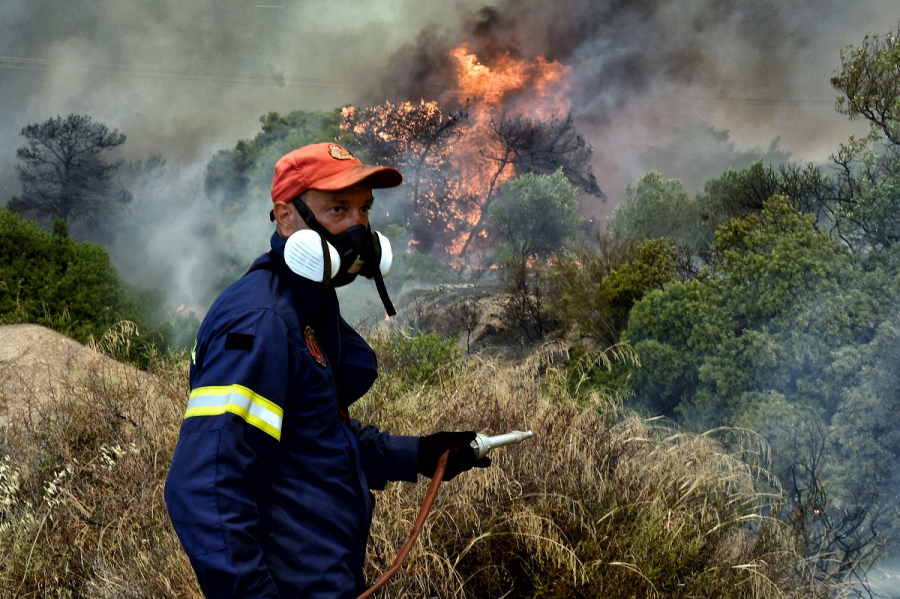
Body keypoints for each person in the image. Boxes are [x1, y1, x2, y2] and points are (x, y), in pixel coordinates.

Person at [164, 142, 489, 599]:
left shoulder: (307, 306)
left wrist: (418, 454)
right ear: (285, 216)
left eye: (364, 209)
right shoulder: (262, 322)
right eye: (338, 208)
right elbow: (203, 487)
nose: (359, 229)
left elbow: (313, 438)